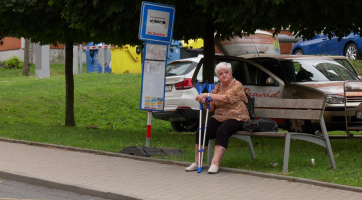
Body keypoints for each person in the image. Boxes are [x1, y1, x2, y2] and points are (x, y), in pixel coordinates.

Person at [185, 62, 250, 174]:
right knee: (202, 129)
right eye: (221, 73)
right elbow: (210, 108)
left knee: (222, 130)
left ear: (231, 73)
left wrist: (206, 95)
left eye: (226, 72)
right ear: (218, 76)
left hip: (237, 116)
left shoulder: (237, 85)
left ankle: (215, 163)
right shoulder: (217, 86)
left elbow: (225, 99)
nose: (224, 75)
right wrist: (205, 102)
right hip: (220, 116)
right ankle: (197, 162)